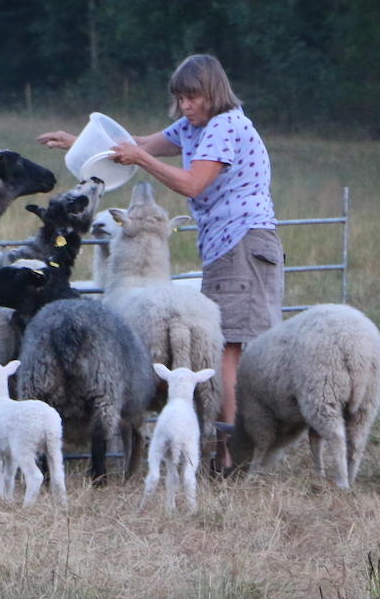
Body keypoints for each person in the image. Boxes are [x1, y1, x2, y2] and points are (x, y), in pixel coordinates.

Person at [35, 54, 283, 474]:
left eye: (193, 97)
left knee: (230, 349)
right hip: (228, 245)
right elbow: (141, 144)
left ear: (213, 92)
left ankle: (230, 456)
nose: (185, 106)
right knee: (230, 347)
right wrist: (80, 143)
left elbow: (192, 182)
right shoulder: (196, 126)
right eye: (180, 98)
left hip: (242, 243)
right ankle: (228, 451)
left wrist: (143, 162)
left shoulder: (224, 126)